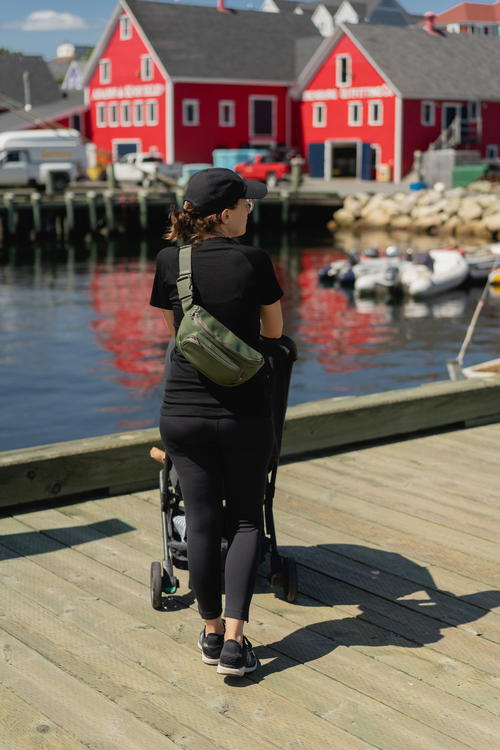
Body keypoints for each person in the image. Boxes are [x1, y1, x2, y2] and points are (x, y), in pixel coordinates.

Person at [149, 168, 283, 677]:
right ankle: (233, 641)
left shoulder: (170, 261)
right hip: (244, 412)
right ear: (225, 215)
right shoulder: (254, 260)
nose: (252, 211)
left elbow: (177, 332)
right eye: (247, 205)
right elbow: (273, 330)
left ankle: (206, 633)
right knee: (247, 518)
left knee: (201, 521)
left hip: (182, 414)